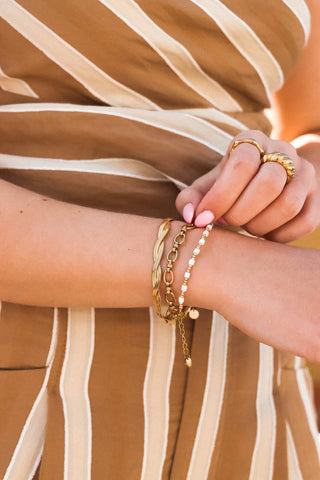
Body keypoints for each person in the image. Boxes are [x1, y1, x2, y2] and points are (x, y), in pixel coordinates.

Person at [0, 0, 319, 478]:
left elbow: (308, 126)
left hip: (250, 382)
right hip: (31, 352)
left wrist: (289, 178)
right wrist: (224, 267)